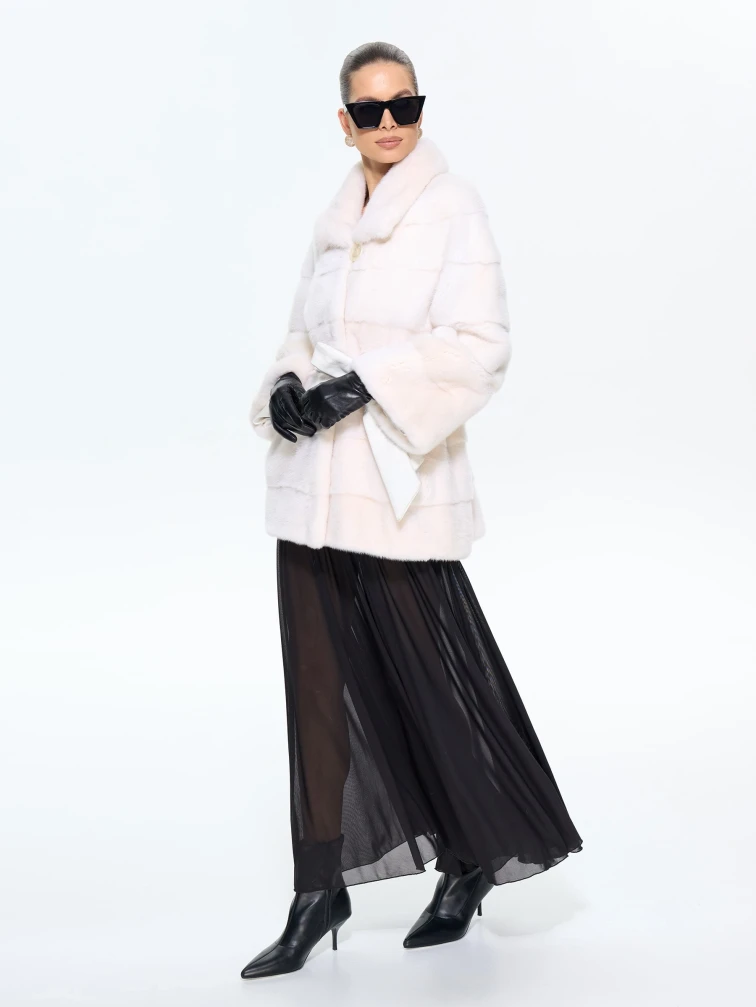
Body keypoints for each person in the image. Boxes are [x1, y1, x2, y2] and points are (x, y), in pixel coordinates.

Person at [241, 40, 583, 980]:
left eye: (405, 105)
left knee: (431, 678)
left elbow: (481, 343)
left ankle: (471, 853)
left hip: (397, 482)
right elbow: (303, 333)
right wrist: (287, 385)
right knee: (315, 688)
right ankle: (318, 889)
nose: (389, 123)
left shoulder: (451, 206)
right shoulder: (331, 222)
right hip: (312, 487)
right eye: (370, 110)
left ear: (420, 109)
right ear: (343, 122)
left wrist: (365, 386)